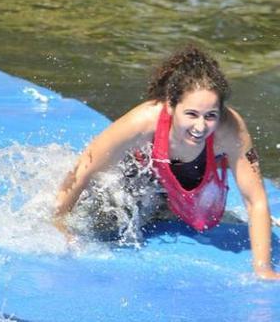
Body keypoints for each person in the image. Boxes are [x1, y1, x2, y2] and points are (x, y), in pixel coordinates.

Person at [54, 45, 279, 280]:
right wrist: (59, 222)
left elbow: (256, 200)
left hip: (188, 177)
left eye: (210, 116)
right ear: (171, 106)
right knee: (105, 219)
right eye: (191, 114)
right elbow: (83, 169)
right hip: (138, 177)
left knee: (204, 215)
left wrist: (263, 268)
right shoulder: (143, 122)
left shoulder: (231, 131)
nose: (200, 127)